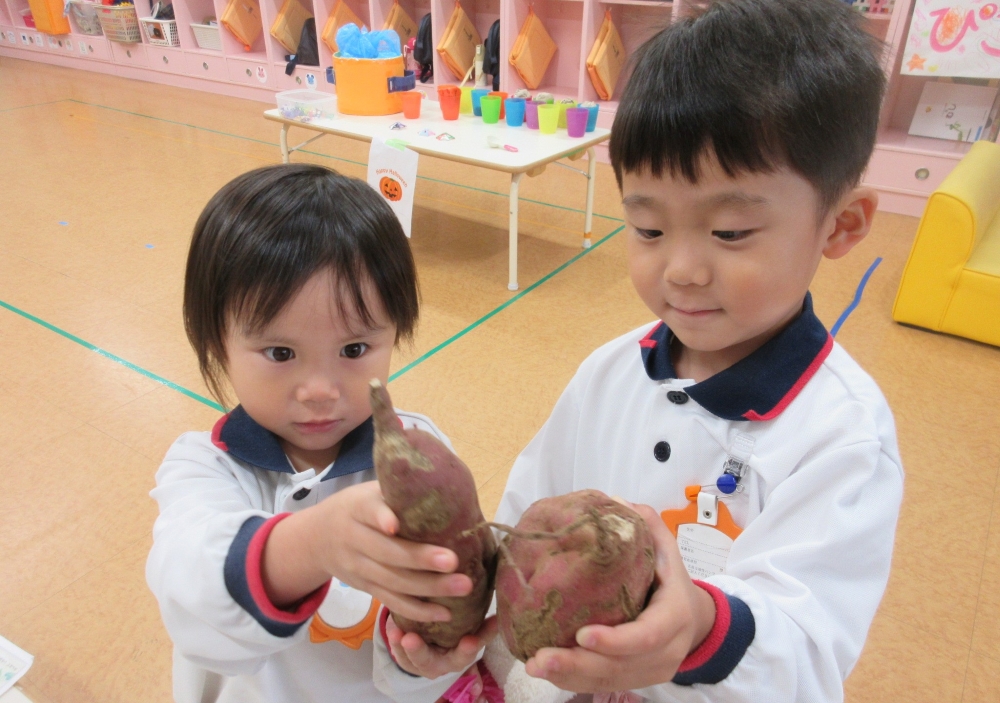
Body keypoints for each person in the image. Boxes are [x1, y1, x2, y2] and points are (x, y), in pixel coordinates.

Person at [382, 0, 904, 700]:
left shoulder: (842, 435)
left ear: (841, 224)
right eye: (649, 230)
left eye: (730, 232)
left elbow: (808, 653)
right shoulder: (608, 373)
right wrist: (449, 615)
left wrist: (696, 628)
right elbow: (523, 526)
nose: (681, 269)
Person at [146, 164, 492, 703]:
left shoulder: (420, 455)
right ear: (218, 341)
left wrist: (426, 659)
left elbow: (447, 605)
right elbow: (187, 584)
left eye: (354, 350)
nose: (320, 390)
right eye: (280, 354)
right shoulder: (204, 468)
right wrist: (313, 544)